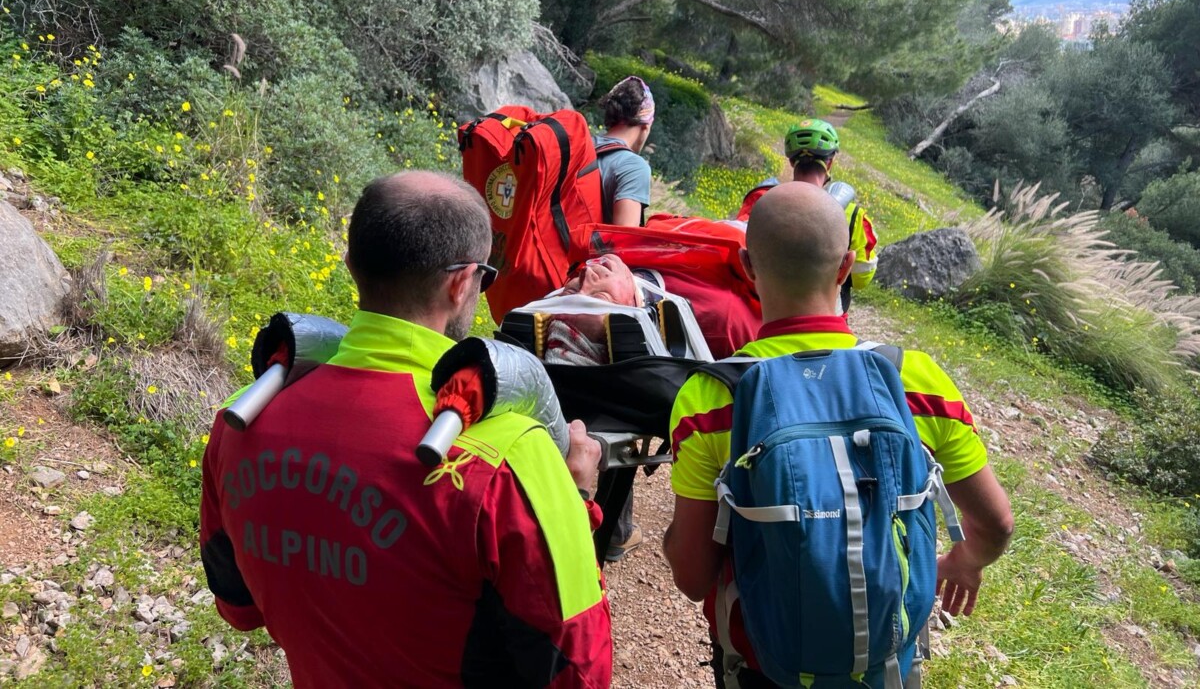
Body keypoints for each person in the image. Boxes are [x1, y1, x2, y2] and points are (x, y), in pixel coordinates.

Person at [200, 171, 612, 688]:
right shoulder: (507, 455)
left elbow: (238, 606)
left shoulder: (241, 421)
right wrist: (574, 492)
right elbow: (579, 673)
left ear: (351, 267)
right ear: (463, 281)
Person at [664, 182, 1013, 688]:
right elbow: (996, 522)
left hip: (767, 669)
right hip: (887, 668)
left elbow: (693, 577)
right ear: (847, 267)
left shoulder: (710, 398)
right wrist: (965, 559)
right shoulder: (914, 380)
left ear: (747, 267)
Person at [738, 118, 878, 315]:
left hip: (765, 315)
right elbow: (862, 278)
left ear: (791, 161)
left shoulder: (761, 200)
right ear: (830, 162)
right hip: (827, 320)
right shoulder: (852, 214)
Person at [595, 76, 655, 226]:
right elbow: (623, 242)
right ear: (645, 126)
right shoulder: (633, 167)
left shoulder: (581, 145)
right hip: (584, 249)